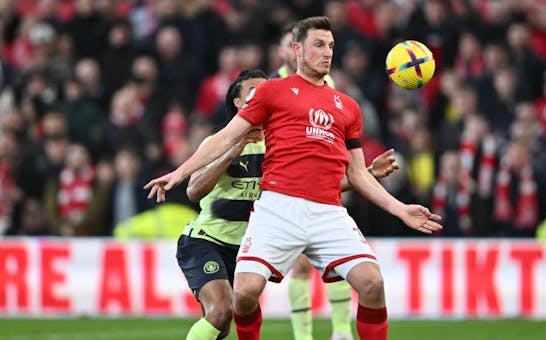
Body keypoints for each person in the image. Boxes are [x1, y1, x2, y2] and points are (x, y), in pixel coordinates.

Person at [145, 17, 442, 340]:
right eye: (318, 44)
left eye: (330, 45)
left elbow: (356, 174)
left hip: (328, 211)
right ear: (297, 50)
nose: (327, 52)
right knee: (243, 294)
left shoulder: (348, 106)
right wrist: (179, 172)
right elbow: (226, 136)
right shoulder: (272, 91)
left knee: (373, 283)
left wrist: (400, 209)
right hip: (277, 208)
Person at [175, 69, 399, 340]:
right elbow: (194, 190)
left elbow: (319, 186)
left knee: (223, 325)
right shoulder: (220, 140)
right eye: (254, 93)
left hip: (250, 246)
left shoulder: (283, 143)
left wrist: (368, 173)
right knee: (221, 312)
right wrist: (231, 152)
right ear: (238, 103)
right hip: (208, 240)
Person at [274, 22, 351, 340]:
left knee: (339, 261)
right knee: (303, 266)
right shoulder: (273, 86)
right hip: (289, 185)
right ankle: (305, 336)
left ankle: (342, 331)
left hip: (327, 180)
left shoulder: (326, 82)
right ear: (290, 50)